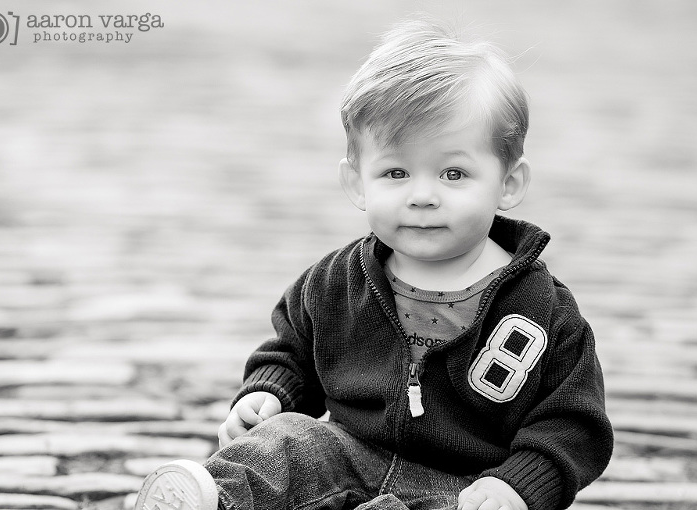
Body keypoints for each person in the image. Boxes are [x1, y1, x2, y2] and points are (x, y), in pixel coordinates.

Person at [135, 18, 613, 510]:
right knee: (290, 444)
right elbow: (292, 351)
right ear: (358, 183)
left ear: (508, 184)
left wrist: (517, 485)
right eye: (396, 172)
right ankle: (212, 499)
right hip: (349, 455)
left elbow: (573, 423)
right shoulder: (336, 282)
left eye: (454, 172)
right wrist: (270, 395)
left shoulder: (542, 311)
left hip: (462, 487)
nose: (423, 196)